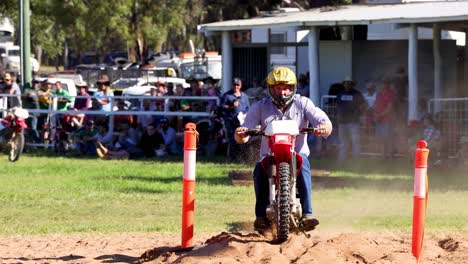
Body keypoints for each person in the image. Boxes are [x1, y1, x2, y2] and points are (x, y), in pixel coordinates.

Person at [234, 67, 332, 232]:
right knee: (259, 169)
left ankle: (307, 213)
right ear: (271, 89)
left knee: (304, 165)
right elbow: (244, 129)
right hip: (269, 154)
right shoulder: (260, 106)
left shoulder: (303, 103)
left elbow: (322, 120)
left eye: (286, 87)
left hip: (297, 153)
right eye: (278, 88)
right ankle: (260, 216)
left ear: (293, 88)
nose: (283, 92)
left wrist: (323, 127)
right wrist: (241, 133)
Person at [336, 76, 366, 161]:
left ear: (352, 84)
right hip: (342, 121)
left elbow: (363, 105)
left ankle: (356, 160)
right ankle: (342, 159)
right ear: (344, 84)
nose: (348, 85)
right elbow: (337, 106)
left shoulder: (357, 94)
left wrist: (359, 113)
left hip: (353, 121)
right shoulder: (340, 94)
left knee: (355, 141)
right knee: (343, 142)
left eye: (349, 83)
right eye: (346, 83)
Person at [220, 77, 250, 162]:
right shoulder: (227, 95)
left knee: (243, 139)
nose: (236, 86)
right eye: (234, 84)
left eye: (237, 85)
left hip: (242, 122)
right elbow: (221, 107)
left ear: (240, 85)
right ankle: (232, 159)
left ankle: (242, 159)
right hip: (231, 120)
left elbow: (248, 108)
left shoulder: (244, 96)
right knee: (232, 139)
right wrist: (231, 106)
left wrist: (245, 115)